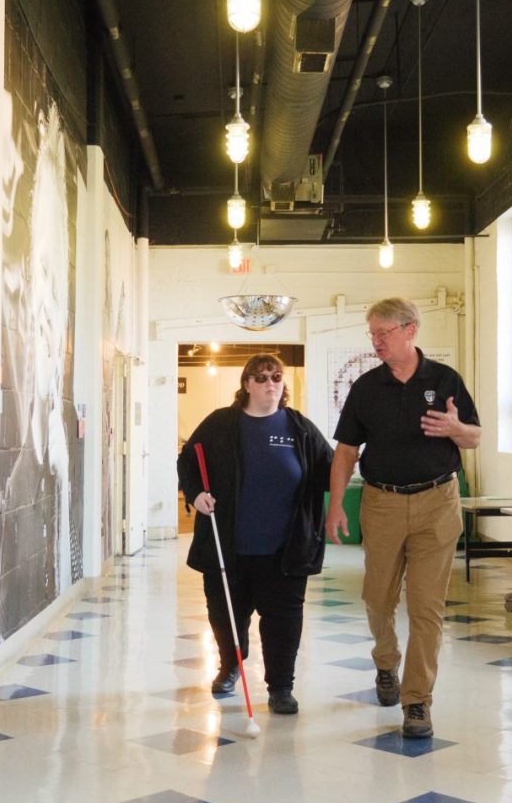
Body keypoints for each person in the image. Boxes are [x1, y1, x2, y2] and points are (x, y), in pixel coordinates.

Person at [326, 299, 480, 739]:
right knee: (377, 597)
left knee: (427, 606)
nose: (376, 341)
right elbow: (345, 452)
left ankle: (417, 702)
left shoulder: (445, 380)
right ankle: (386, 663)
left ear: (410, 330)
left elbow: (474, 435)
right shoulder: (366, 387)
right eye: (372, 333)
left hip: (437, 502)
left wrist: (455, 430)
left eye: (384, 333)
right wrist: (336, 505)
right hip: (382, 502)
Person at [177, 354, 334, 714]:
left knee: (284, 620)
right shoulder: (221, 423)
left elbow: (328, 468)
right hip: (228, 547)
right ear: (246, 384)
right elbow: (188, 459)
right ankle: (230, 666)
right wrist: (196, 493)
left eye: (276, 377)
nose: (270, 384)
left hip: (285, 550)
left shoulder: (299, 427)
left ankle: (281, 687)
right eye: (261, 378)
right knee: (226, 615)